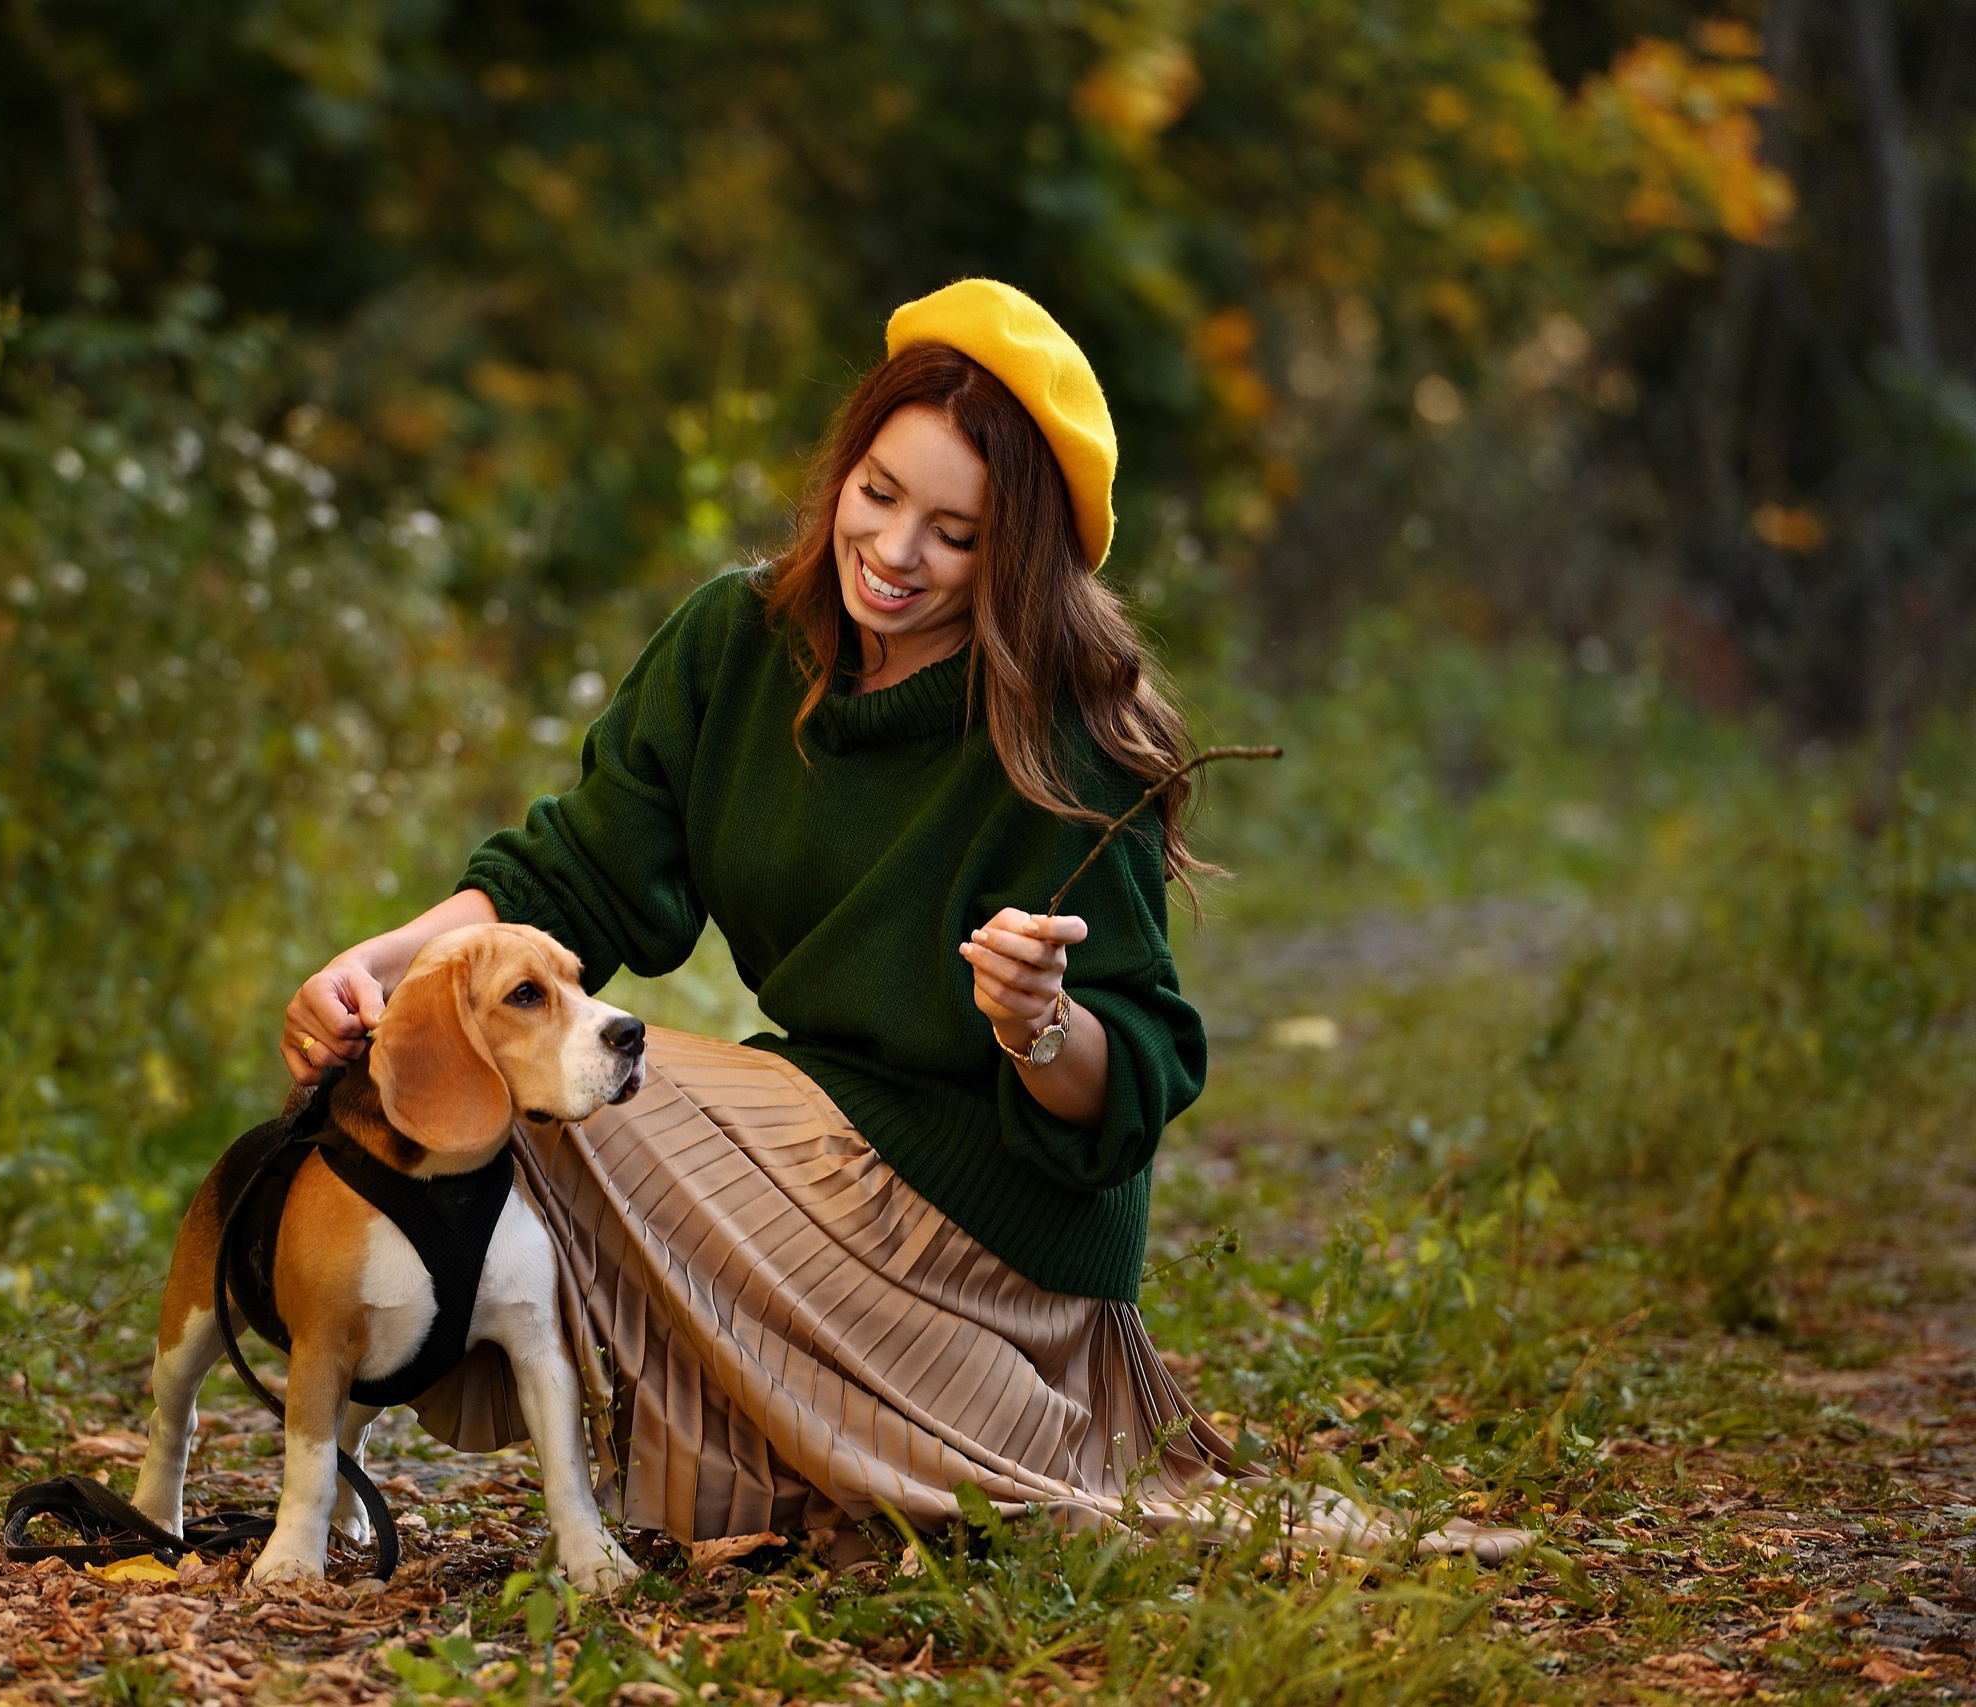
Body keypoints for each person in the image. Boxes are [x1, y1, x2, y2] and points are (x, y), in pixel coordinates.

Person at [282, 279, 1524, 1563]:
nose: (893, 550)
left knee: (579, 1101)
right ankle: (759, 1464)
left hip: (992, 1249)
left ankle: (909, 1439)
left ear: (1016, 554)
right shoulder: (735, 644)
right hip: (816, 1144)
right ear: (843, 471)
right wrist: (376, 971)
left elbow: (1138, 1077)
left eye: (956, 533)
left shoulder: (1058, 735)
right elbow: (573, 877)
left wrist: (1040, 1024)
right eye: (877, 493)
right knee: (465, 1075)